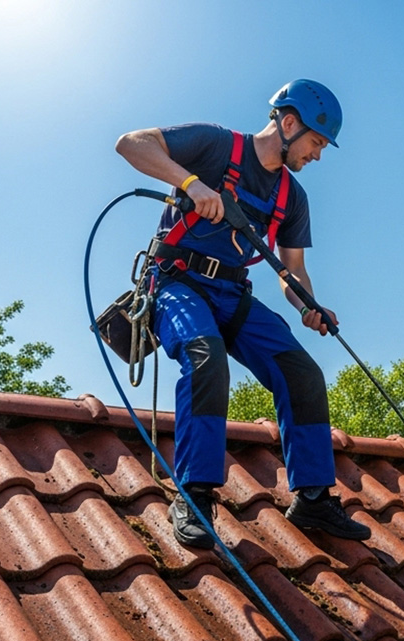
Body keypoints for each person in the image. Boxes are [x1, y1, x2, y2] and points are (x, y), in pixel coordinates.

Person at [116, 79, 370, 548]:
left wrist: (307, 306)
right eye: (316, 142)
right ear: (288, 123)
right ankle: (194, 495)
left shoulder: (293, 198)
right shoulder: (216, 144)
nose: (318, 155)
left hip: (234, 294)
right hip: (176, 284)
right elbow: (131, 143)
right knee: (205, 357)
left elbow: (292, 270)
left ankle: (313, 497)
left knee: (303, 374)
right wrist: (191, 183)